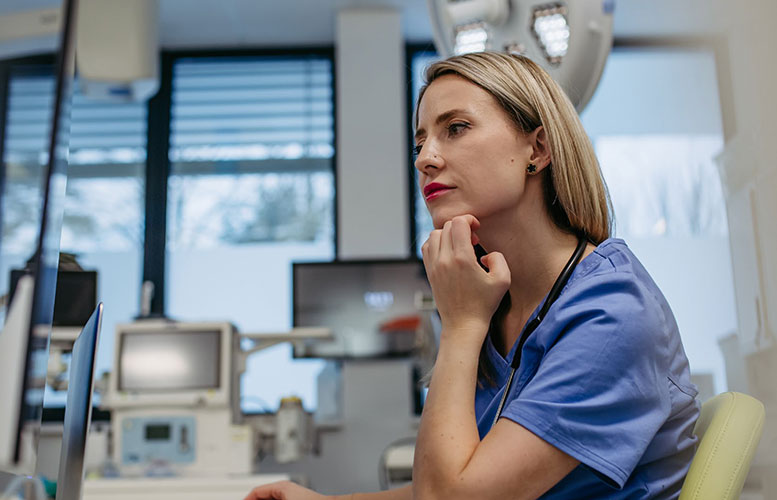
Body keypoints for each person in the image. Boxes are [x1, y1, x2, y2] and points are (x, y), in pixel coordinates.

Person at [245, 51, 699, 500]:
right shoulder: (500, 303)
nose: (426, 159)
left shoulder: (613, 315)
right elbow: (457, 480)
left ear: (537, 149)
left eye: (455, 129)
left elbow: (451, 498)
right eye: (419, 143)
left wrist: (461, 323)